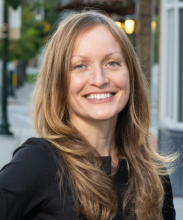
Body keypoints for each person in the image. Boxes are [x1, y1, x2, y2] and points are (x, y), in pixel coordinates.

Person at [0, 10, 176, 220]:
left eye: (112, 63)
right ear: (59, 83)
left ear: (131, 75)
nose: (99, 79)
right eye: (80, 66)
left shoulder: (153, 173)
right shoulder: (39, 162)